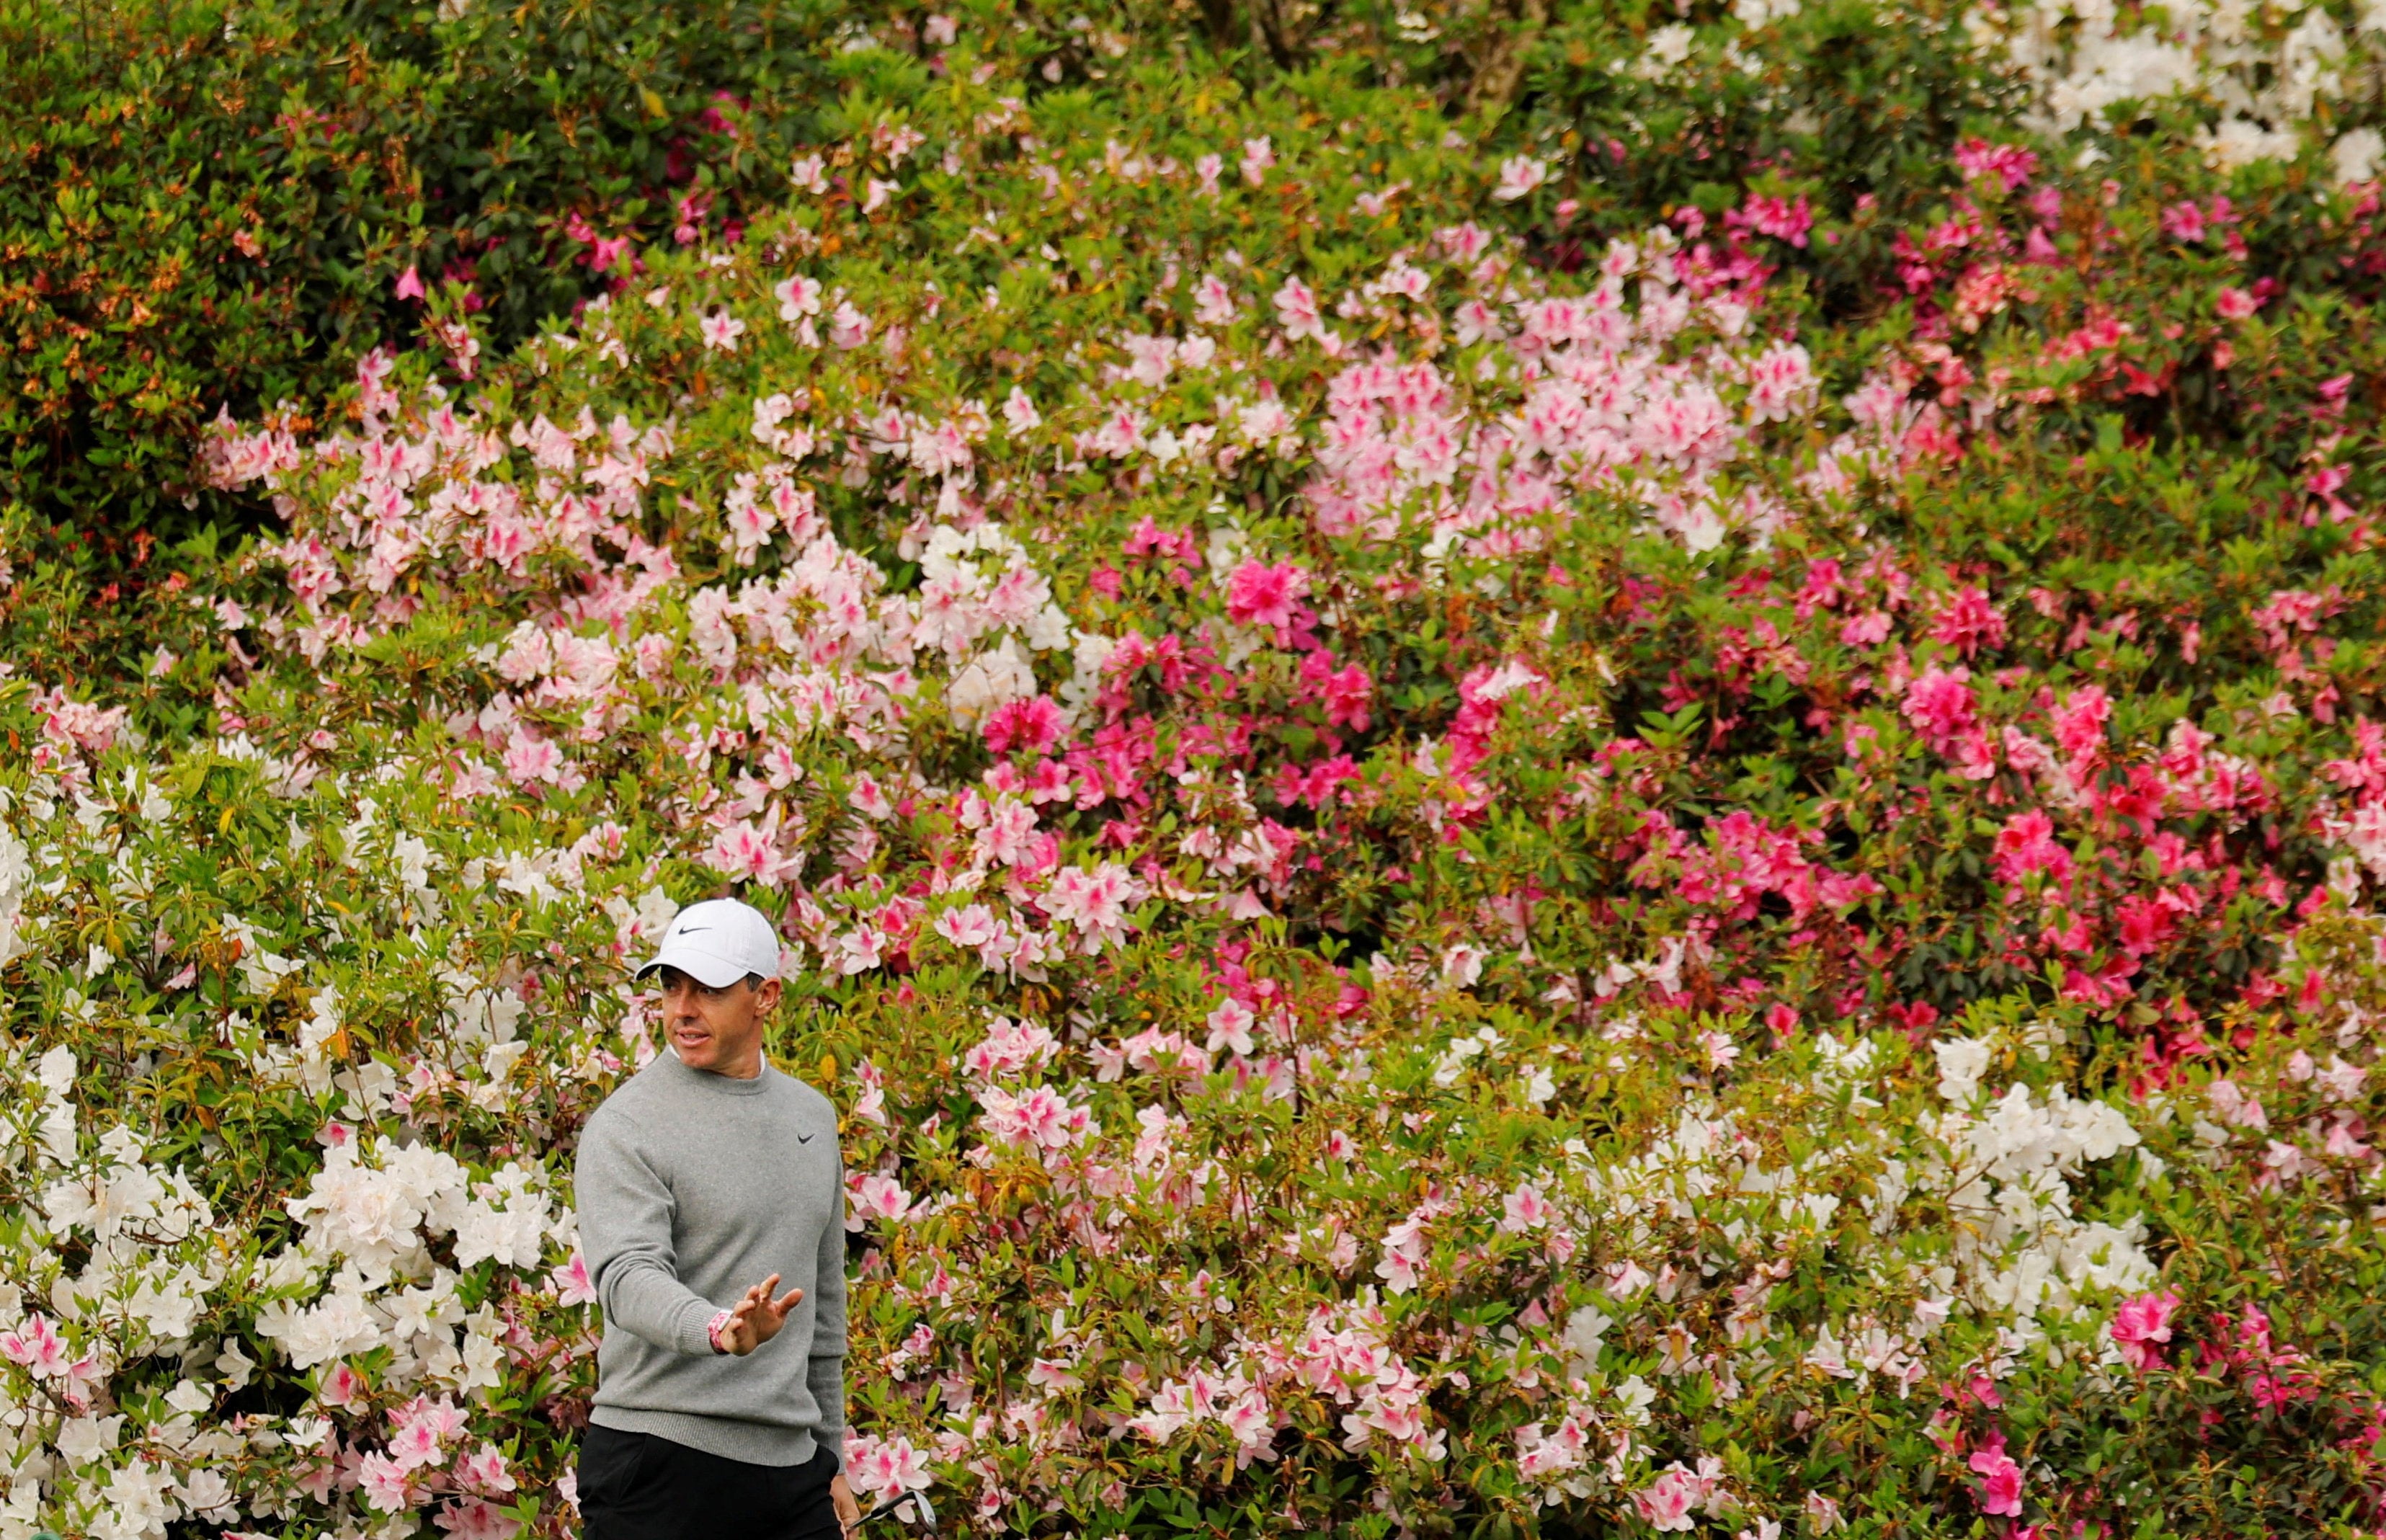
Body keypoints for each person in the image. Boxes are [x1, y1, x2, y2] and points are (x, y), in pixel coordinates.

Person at [573, 897, 860, 1540]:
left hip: (791, 1474)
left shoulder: (810, 1118)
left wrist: (830, 1455)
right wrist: (717, 1328)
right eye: (672, 986)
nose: (682, 1008)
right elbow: (626, 1276)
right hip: (656, 1463)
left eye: (708, 988)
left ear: (766, 997)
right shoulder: (627, 1125)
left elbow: (823, 1305)